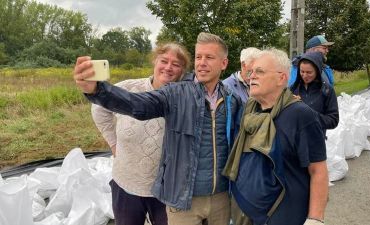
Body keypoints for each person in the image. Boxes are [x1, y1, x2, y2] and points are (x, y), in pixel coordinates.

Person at [74, 32, 243, 225]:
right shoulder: (176, 93)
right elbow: (138, 104)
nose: (202, 62)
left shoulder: (232, 99)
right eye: (198, 57)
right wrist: (97, 89)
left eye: (209, 57)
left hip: (220, 196)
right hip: (179, 196)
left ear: (224, 63)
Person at [223, 48, 329, 225]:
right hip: (246, 213)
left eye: (260, 72)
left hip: (283, 215)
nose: (252, 76)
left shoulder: (301, 115)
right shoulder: (250, 110)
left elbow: (318, 170)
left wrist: (315, 218)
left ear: (282, 78)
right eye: (251, 72)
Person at [91, 43, 191, 225]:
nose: (168, 67)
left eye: (176, 64)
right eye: (164, 61)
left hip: (166, 188)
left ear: (183, 71)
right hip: (127, 182)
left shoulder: (185, 99)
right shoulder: (130, 88)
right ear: (155, 61)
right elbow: (98, 107)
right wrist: (113, 143)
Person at [290, 51, 339, 134]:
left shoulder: (327, 90)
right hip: (295, 141)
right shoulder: (293, 89)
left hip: (316, 141)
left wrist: (309, 115)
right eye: (302, 71)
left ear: (317, 70)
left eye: (309, 72)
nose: (305, 76)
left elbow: (333, 120)